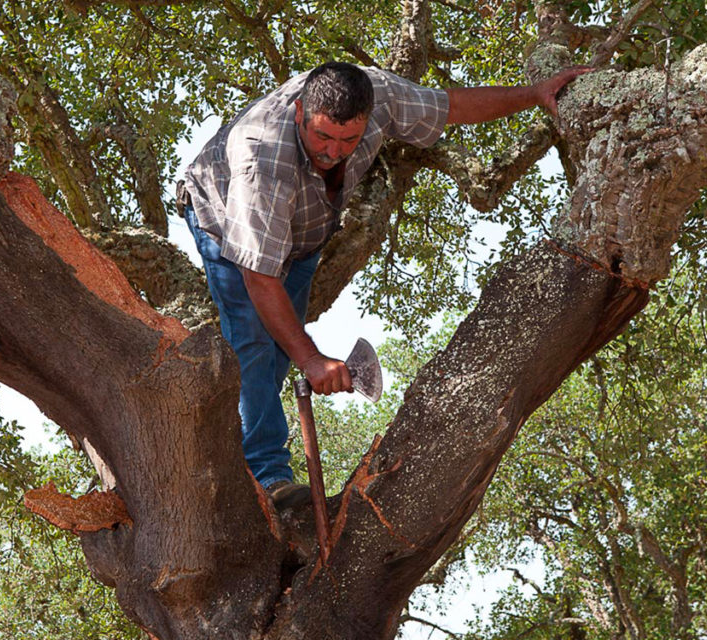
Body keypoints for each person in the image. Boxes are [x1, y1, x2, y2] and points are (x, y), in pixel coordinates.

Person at [180, 61, 587, 509]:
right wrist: (313, 360)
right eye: (323, 137)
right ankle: (266, 475)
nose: (334, 152)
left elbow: (451, 106)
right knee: (255, 341)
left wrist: (533, 93)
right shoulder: (264, 158)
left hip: (300, 236)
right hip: (224, 219)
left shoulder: (380, 94)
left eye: (348, 140)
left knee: (278, 352)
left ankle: (248, 454)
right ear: (300, 112)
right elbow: (258, 276)